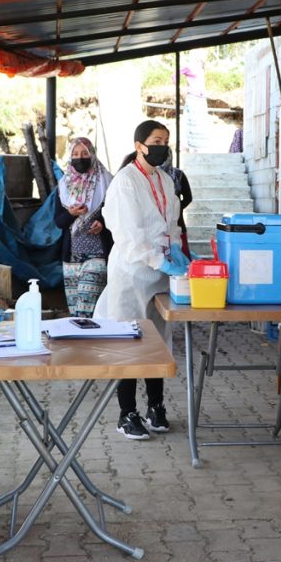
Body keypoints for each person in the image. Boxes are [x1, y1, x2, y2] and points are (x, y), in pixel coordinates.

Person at [94, 120, 189, 440]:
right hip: (132, 274)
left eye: (166, 140)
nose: (163, 146)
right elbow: (128, 234)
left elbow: (171, 221)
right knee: (128, 341)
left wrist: (174, 248)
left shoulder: (164, 179)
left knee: (157, 342)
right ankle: (126, 413)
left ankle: (156, 406)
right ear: (139, 146)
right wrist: (157, 258)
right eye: (156, 140)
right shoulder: (125, 182)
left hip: (160, 275)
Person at [54, 137, 113, 317]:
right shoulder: (64, 185)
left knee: (85, 311)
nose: (80, 157)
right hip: (71, 258)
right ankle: (82, 345)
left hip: (98, 255)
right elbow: (58, 222)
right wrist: (71, 214)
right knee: (75, 313)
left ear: (92, 155)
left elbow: (117, 213)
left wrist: (102, 223)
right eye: (75, 154)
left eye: (85, 153)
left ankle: (88, 344)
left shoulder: (107, 182)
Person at [157, 147, 193, 259]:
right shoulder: (150, 177)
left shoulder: (179, 175)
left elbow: (188, 197)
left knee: (181, 255)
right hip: (156, 224)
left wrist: (175, 209)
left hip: (177, 224)